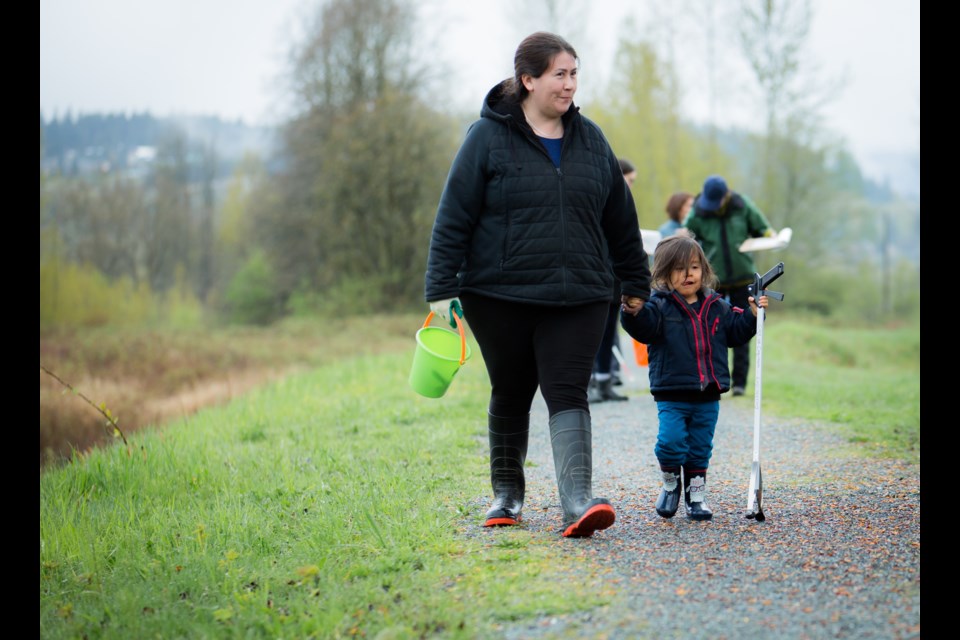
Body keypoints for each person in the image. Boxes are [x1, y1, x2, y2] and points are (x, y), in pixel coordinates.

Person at [424, 32, 651, 538]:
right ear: (528, 80)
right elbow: (454, 215)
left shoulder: (592, 140)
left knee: (568, 388)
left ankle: (576, 502)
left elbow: (620, 217)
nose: (569, 85)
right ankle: (507, 495)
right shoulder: (485, 138)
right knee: (511, 389)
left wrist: (635, 280)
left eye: (574, 74)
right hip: (498, 294)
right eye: (559, 75)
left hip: (581, 293)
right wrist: (441, 286)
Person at [620, 235, 768, 520]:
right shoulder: (658, 306)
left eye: (694, 267)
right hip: (672, 393)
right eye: (678, 268)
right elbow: (643, 328)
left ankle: (696, 495)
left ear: (704, 270)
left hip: (708, 393)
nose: (688, 275)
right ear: (663, 273)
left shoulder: (717, 305)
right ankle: (671, 484)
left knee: (700, 447)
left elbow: (736, 332)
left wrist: (752, 315)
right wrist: (633, 310)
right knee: (671, 442)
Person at [681, 175, 775, 396]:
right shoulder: (699, 210)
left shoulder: (742, 205)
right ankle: (713, 379)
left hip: (743, 278)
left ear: (726, 196)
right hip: (715, 279)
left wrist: (773, 237)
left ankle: (740, 383)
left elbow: (763, 229)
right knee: (711, 328)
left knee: (744, 325)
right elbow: (685, 235)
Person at [587, 158, 637, 404]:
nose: (631, 185)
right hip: (596, 279)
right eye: (630, 180)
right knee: (592, 334)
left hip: (615, 281)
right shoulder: (599, 202)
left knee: (608, 334)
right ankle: (590, 383)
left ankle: (606, 383)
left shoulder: (622, 208)